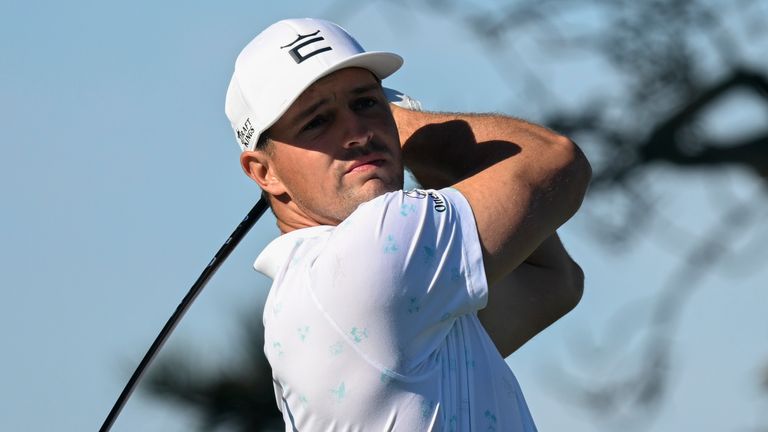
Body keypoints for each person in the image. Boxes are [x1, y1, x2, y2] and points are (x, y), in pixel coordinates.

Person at [225, 18, 591, 431]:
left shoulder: (320, 292)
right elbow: (556, 161)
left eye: (364, 104)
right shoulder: (367, 253)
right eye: (316, 122)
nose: (357, 132)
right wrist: (400, 122)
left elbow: (550, 281)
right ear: (264, 172)